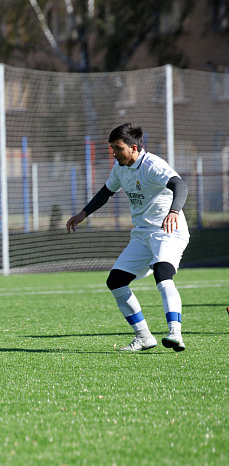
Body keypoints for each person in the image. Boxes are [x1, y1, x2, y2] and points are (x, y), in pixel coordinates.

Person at [66, 123, 190, 352]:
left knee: (163, 276)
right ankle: (143, 336)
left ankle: (175, 333)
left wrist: (173, 212)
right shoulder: (120, 168)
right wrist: (83, 213)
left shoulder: (152, 165)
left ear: (134, 148)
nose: (113, 153)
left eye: (117, 148)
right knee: (115, 281)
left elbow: (179, 185)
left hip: (167, 231)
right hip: (142, 234)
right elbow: (106, 192)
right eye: (112, 148)